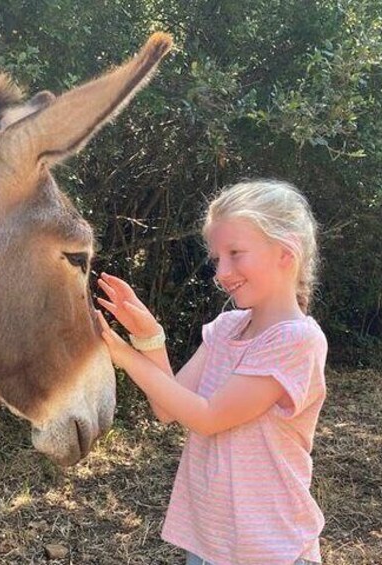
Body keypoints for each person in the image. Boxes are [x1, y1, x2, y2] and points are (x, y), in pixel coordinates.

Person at [96, 179, 327, 565]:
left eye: (235, 253)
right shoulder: (226, 329)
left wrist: (125, 356)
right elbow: (170, 407)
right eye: (217, 257)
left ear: (286, 253)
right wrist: (149, 338)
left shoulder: (296, 340)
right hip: (210, 543)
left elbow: (208, 417)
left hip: (271, 549)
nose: (222, 271)